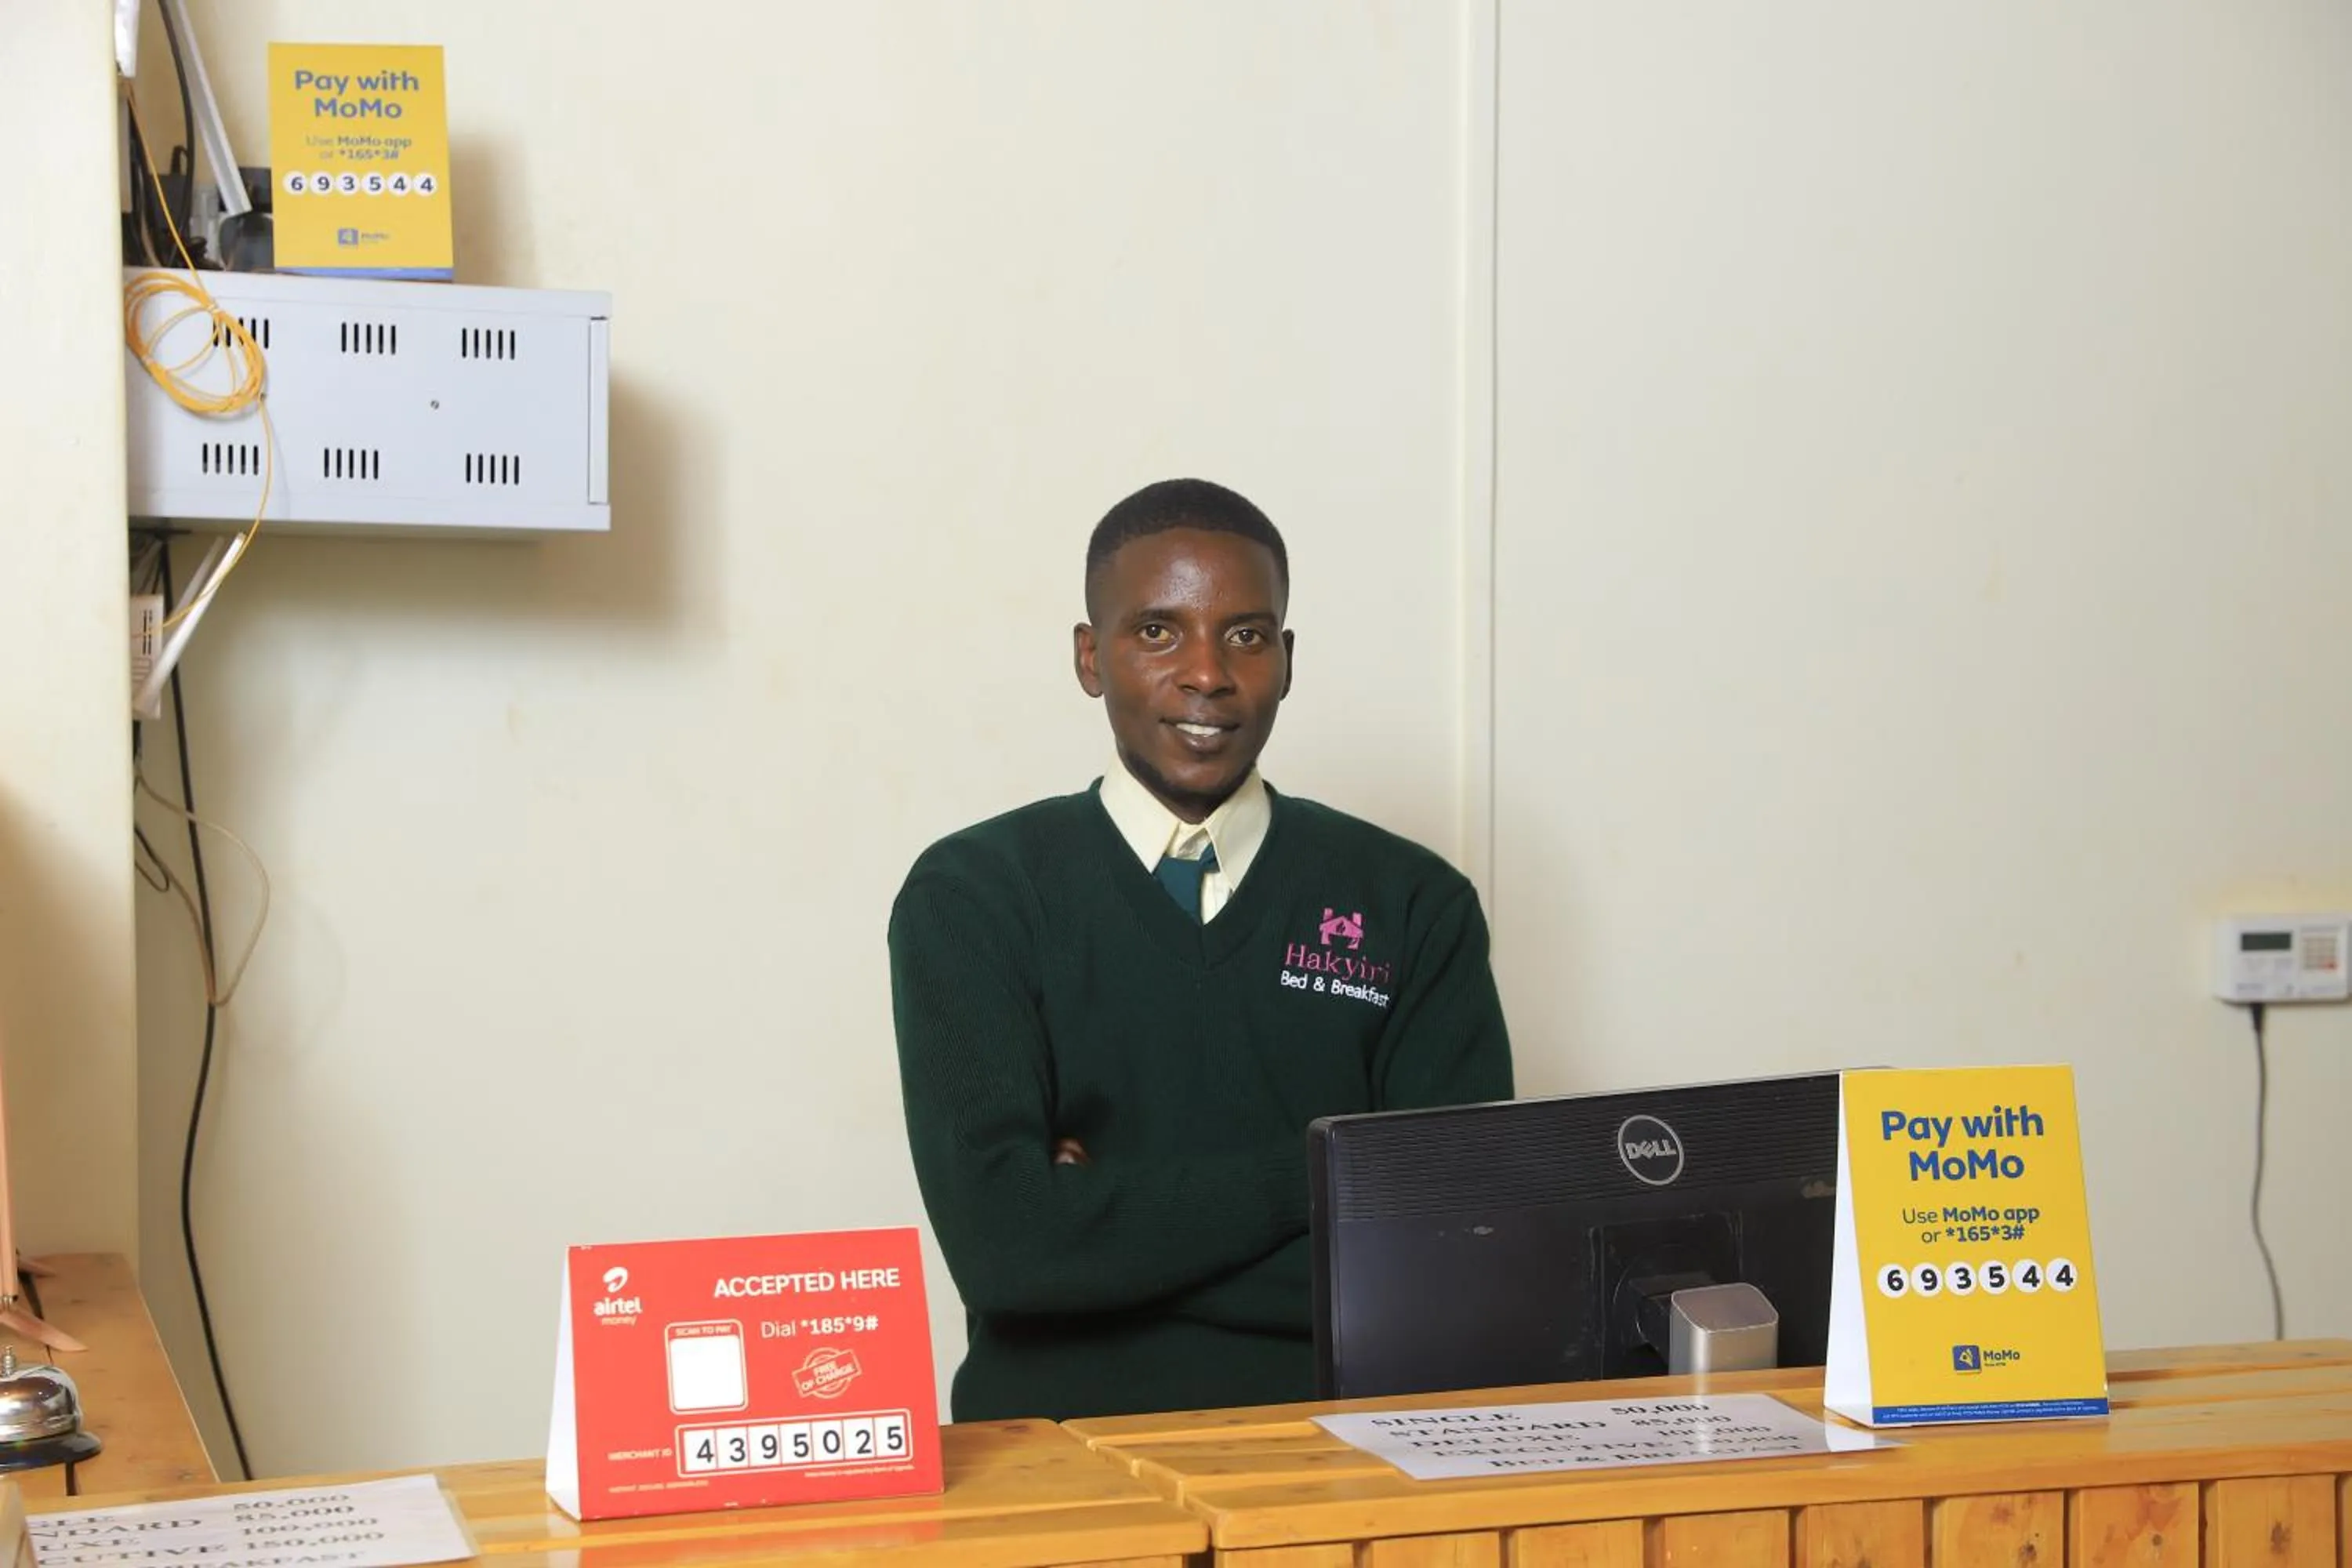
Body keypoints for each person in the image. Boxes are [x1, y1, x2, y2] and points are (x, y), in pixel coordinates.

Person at [887, 477, 1512, 1421]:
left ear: (1288, 660)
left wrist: (1097, 1223)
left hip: (1344, 1455)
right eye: (1157, 631)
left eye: (1247, 635)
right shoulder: (976, 896)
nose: (1207, 673)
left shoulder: (1413, 903)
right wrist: (1332, 1174)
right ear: (1090, 656)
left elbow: (1461, 1250)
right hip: (1062, 1465)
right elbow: (1009, 1252)